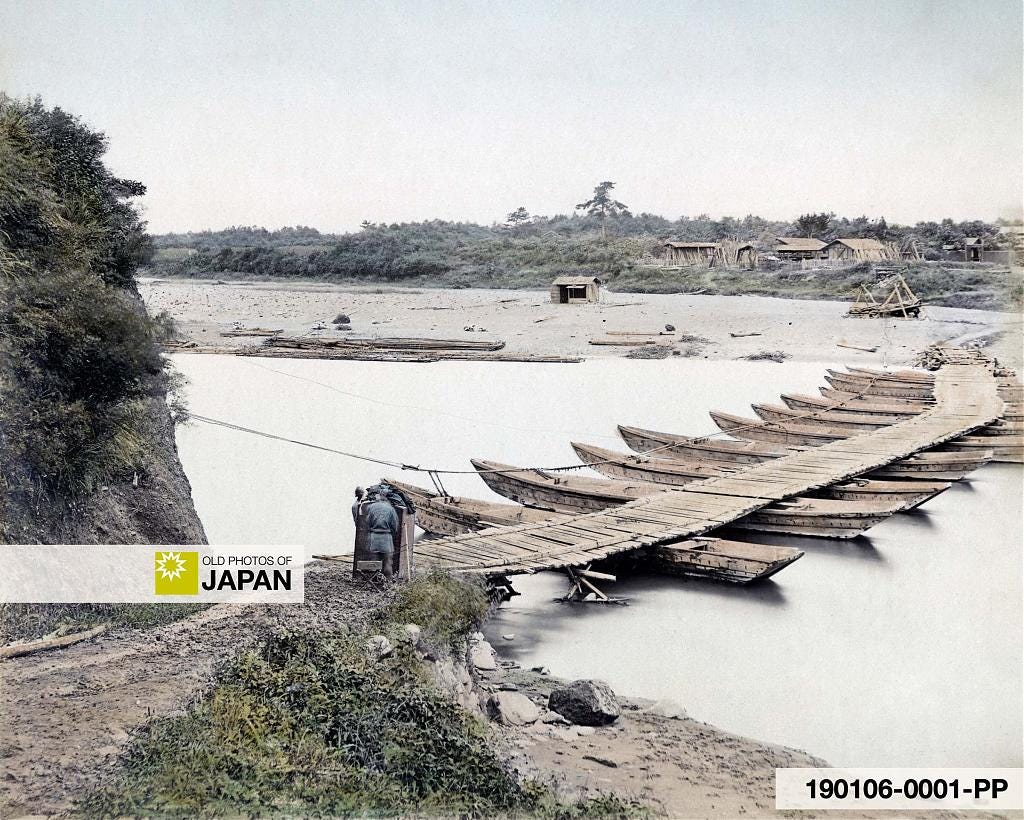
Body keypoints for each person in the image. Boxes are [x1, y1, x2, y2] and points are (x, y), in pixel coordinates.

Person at [364, 489, 399, 579]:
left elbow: (367, 522)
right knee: (387, 563)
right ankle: (387, 583)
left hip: (374, 538)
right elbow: (395, 526)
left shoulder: (371, 507)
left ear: (379, 496)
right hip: (386, 538)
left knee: (373, 563)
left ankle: (373, 581)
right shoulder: (391, 509)